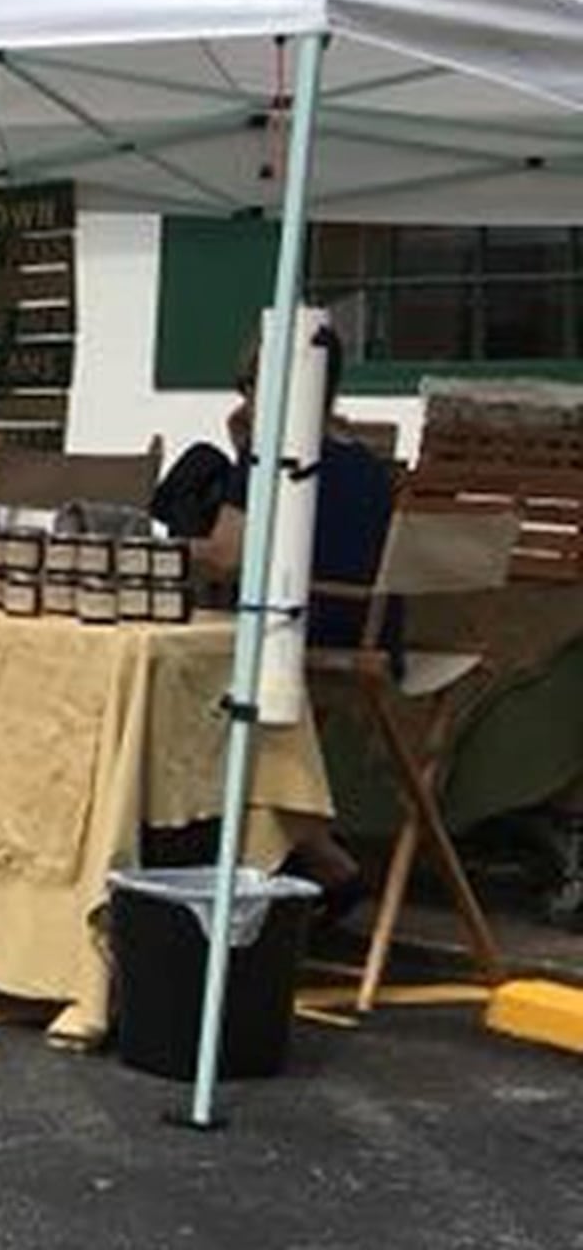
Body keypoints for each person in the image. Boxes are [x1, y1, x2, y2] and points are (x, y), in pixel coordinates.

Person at [155, 322, 394, 918]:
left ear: (275, 385)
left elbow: (226, 554)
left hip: (298, 631)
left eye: (250, 382)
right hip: (367, 627)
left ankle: (308, 856)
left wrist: (157, 548)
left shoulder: (274, 455)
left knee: (180, 684)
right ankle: (294, 855)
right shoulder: (363, 461)